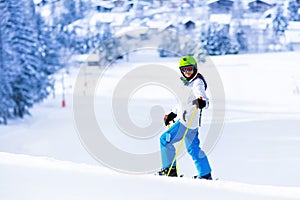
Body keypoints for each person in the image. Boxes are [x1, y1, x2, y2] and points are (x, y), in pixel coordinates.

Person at [157, 56, 212, 180]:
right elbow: (184, 103)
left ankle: (169, 170)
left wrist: (202, 102)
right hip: (191, 123)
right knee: (193, 149)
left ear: (195, 68)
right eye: (184, 70)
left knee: (164, 140)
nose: (187, 72)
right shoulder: (188, 82)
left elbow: (203, 98)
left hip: (186, 122)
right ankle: (205, 174)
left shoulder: (197, 82)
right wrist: (172, 113)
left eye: (190, 69)